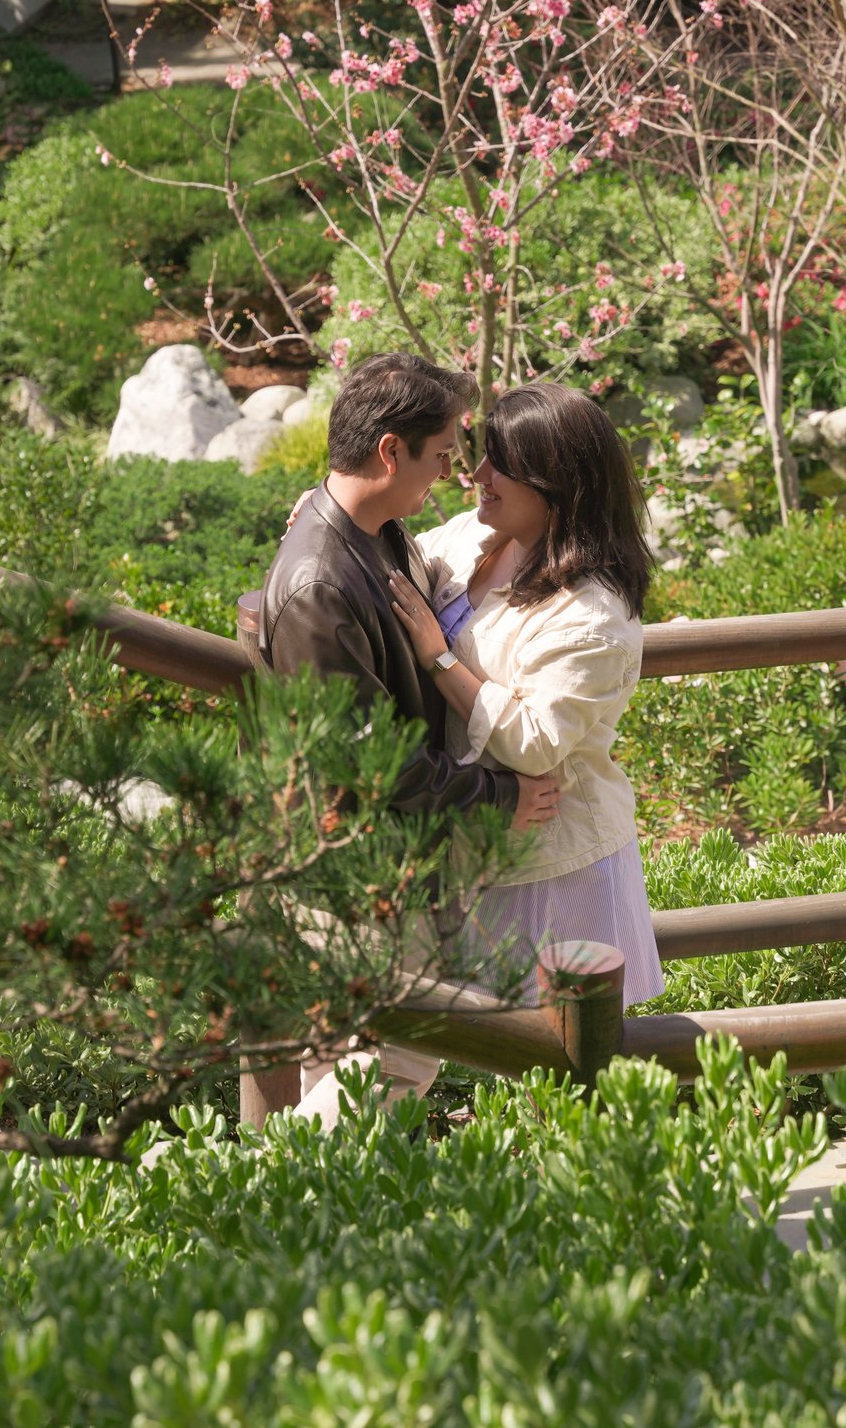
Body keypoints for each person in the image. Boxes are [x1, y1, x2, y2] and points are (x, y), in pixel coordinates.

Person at [256, 352, 561, 1119]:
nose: (452, 474)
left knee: (356, 1059)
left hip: (375, 867)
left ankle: (291, 1218)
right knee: (393, 1058)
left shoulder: (376, 531)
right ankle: (274, 1203)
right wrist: (502, 794)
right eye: (440, 455)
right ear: (390, 451)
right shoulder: (319, 583)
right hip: (360, 877)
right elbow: (368, 767)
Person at [386, 380, 664, 1015]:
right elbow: (391, 560)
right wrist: (329, 519)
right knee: (493, 1064)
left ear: (555, 482)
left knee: (566, 1068)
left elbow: (535, 744)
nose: (477, 473)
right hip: (486, 842)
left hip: (556, 866)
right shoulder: (480, 538)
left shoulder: (592, 614)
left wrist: (438, 656)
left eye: (499, 464)